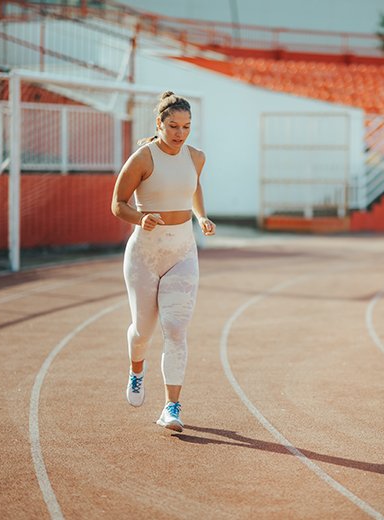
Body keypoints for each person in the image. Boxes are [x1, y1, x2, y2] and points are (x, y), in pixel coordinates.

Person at [110, 91, 215, 433]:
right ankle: (136, 369)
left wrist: (201, 217)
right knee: (144, 330)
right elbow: (118, 203)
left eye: (186, 126)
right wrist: (141, 219)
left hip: (183, 252)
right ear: (158, 123)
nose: (180, 133)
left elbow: (194, 188)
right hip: (144, 254)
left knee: (175, 328)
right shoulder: (142, 158)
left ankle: (171, 407)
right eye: (173, 126)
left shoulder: (196, 157)